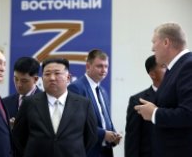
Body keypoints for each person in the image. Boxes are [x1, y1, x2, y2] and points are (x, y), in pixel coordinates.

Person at [12, 58, 97, 157]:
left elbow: (91, 138)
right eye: (47, 74)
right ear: (42, 78)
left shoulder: (83, 104)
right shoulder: (29, 103)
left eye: (57, 73)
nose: (52, 78)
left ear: (68, 78)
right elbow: (19, 137)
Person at [135, 23, 192, 157]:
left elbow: (189, 113)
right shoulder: (175, 68)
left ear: (166, 42)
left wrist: (154, 113)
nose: (152, 48)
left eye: (154, 42)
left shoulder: (188, 66)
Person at [68, 49, 121, 157]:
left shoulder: (102, 91)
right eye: (99, 66)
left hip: (106, 151)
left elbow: (105, 121)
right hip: (88, 152)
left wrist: (114, 136)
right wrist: (103, 134)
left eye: (106, 66)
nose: (104, 70)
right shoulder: (76, 88)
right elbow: (76, 123)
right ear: (88, 66)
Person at [125, 55, 166, 157]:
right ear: (152, 74)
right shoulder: (138, 101)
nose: (170, 70)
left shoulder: (181, 98)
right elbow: (132, 139)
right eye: (164, 66)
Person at [3, 57, 41, 124]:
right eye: (16, 79)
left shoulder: (46, 102)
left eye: (24, 81)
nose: (19, 84)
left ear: (35, 79)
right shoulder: (5, 103)